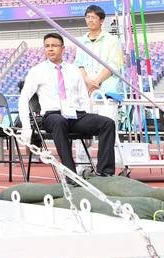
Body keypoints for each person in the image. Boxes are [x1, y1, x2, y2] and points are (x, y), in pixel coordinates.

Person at [18, 33, 117, 177]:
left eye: (54, 46)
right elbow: (24, 98)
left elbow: (83, 97)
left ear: (63, 49)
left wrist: (87, 121)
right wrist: (26, 127)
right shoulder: (36, 71)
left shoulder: (74, 70)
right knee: (59, 121)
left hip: (76, 115)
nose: (50, 49)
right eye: (47, 46)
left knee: (107, 123)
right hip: (53, 116)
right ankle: (70, 174)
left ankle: (105, 172)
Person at [75, 5, 124, 98]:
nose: (90, 20)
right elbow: (79, 64)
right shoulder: (81, 41)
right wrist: (87, 81)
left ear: (101, 21)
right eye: (88, 17)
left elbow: (113, 65)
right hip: (86, 88)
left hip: (107, 89)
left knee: (105, 112)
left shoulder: (112, 40)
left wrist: (96, 81)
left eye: (93, 17)